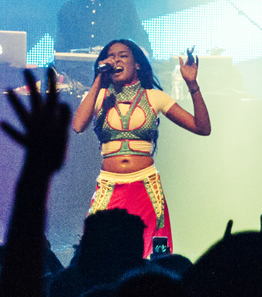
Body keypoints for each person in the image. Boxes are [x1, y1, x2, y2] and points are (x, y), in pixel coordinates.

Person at [70, 39, 209, 256]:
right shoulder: (100, 97)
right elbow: (78, 126)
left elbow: (202, 128)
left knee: (155, 251)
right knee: (97, 250)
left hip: (145, 186)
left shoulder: (154, 97)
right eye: (111, 56)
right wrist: (99, 80)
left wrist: (192, 85)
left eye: (123, 55)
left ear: (137, 64)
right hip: (109, 186)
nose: (115, 60)